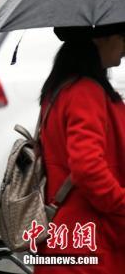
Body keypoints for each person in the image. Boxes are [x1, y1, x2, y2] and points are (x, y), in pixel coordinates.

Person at [35, 23, 125, 273]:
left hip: (68, 241)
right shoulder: (85, 91)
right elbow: (88, 168)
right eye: (122, 36)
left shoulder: (61, 88)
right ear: (99, 39)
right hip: (89, 244)